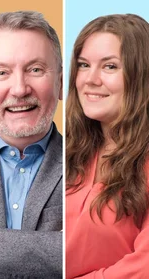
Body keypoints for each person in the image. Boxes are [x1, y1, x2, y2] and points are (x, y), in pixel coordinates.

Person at [0, 11, 63, 278]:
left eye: (35, 69)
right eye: (2, 72)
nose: (19, 89)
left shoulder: (94, 161)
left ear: (60, 82)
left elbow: (92, 255)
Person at [66, 14, 149, 278]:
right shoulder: (67, 150)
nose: (90, 79)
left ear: (140, 76)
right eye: (83, 65)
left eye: (110, 66)